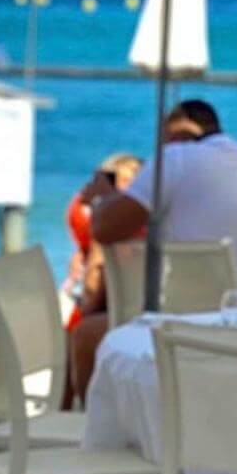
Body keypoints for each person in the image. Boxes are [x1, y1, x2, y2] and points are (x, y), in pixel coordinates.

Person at [77, 99, 237, 401]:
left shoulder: (175, 159)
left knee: (85, 336)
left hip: (214, 331)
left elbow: (105, 228)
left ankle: (86, 424)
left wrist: (102, 197)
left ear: (177, 132)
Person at [62, 151, 142, 406]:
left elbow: (96, 286)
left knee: (78, 331)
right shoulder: (151, 221)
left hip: (117, 313)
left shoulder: (109, 228)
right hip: (138, 310)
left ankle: (72, 408)